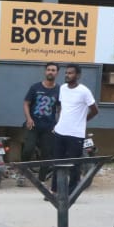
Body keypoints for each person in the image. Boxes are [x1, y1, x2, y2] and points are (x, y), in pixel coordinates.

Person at [52, 64, 99, 192]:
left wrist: (82, 121)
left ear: (78, 75)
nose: (67, 75)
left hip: (75, 134)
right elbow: (61, 107)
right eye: (66, 73)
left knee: (74, 165)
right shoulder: (62, 88)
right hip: (60, 132)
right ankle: (54, 190)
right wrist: (59, 123)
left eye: (70, 73)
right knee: (57, 163)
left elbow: (95, 110)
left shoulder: (84, 91)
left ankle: (72, 192)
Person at [22, 61, 60, 181]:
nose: (50, 72)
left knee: (47, 154)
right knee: (28, 148)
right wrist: (28, 118)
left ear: (57, 73)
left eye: (53, 70)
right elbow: (26, 103)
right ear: (45, 71)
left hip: (49, 126)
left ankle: (42, 179)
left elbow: (61, 108)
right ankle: (22, 173)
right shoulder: (35, 87)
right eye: (49, 69)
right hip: (33, 125)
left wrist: (59, 123)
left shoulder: (60, 90)